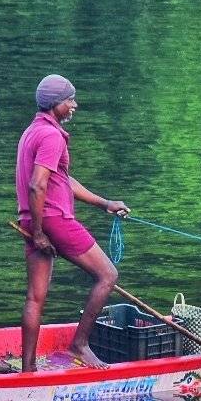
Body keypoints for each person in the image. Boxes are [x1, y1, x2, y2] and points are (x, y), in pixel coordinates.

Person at [16, 73, 129, 371]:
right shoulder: (52, 136)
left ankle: (27, 371)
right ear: (55, 104)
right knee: (107, 275)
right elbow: (37, 185)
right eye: (70, 100)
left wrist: (104, 203)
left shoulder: (33, 131)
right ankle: (79, 344)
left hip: (31, 220)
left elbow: (61, 179)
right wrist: (41, 233)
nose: (74, 105)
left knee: (35, 297)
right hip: (53, 220)